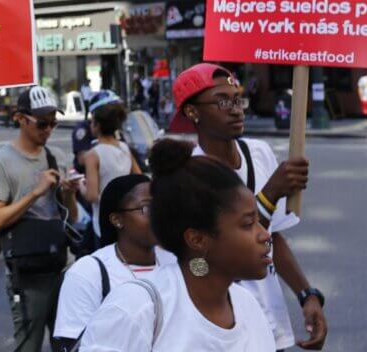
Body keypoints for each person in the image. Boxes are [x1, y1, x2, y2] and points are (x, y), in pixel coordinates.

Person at [172, 63, 326, 350]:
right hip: (220, 329)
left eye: (236, 98)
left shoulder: (258, 153)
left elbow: (272, 238)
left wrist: (307, 294)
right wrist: (270, 193)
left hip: (269, 325)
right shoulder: (187, 174)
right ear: (192, 112)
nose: (235, 108)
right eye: (222, 101)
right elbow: (214, 254)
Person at [79, 139, 275, 350]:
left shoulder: (248, 306)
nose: (265, 235)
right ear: (197, 239)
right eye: (247, 224)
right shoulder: (135, 309)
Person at [0, 86, 80, 352]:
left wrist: (69, 194)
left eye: (53, 122)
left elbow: (70, 217)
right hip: (26, 274)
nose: (49, 129)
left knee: (67, 344)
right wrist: (35, 193)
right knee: (29, 345)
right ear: (20, 119)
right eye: (42, 123)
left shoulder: (56, 157)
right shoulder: (2, 161)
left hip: (62, 265)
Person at [53, 174, 175, 347]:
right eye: (147, 208)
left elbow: (206, 276)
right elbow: (72, 342)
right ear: (117, 219)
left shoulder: (175, 259)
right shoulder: (88, 272)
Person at [80, 91, 140, 242]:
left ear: (97, 126)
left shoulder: (93, 154)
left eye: (92, 121)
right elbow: (139, 178)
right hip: (126, 218)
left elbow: (92, 195)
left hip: (103, 221)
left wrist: (81, 186)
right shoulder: (124, 148)